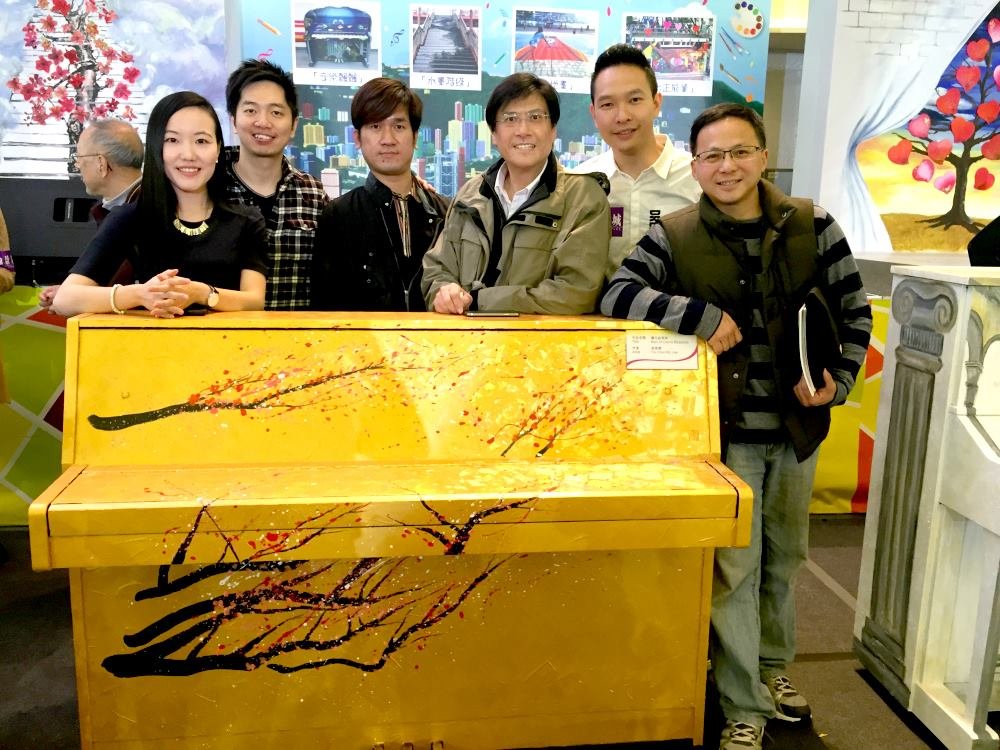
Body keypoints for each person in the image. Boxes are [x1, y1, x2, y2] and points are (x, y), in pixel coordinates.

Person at [600, 103, 872, 750]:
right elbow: (617, 294)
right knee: (734, 571)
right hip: (725, 436)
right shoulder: (676, 234)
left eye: (740, 152)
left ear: (763, 157)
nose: (727, 167)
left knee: (786, 560)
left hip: (798, 431)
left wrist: (839, 382)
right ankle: (742, 702)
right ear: (695, 166)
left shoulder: (813, 226)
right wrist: (695, 315)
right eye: (713, 156)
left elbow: (855, 313)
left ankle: (772, 669)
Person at [51, 91, 269, 318]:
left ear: (218, 149)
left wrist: (202, 293)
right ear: (158, 149)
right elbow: (66, 299)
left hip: (228, 340)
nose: (188, 154)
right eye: (172, 140)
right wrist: (140, 294)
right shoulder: (131, 217)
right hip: (151, 339)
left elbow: (254, 301)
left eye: (201, 141)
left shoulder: (246, 220)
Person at [422, 72, 611, 315]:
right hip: (463, 337)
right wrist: (444, 291)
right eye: (510, 119)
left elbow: (575, 292)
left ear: (553, 130)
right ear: (494, 133)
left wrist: (480, 301)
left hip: (539, 339)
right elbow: (437, 269)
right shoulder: (471, 193)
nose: (523, 130)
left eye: (535, 117)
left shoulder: (584, 198)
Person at [310, 78, 447, 311]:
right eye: (375, 126)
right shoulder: (339, 215)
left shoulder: (445, 213)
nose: (387, 140)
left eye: (398, 126)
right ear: (357, 139)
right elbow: (325, 308)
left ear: (415, 137)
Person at [574, 43, 700, 280]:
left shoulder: (696, 177)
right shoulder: (581, 183)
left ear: (656, 103)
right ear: (594, 114)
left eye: (634, 99)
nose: (622, 116)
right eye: (607, 104)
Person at [223, 59, 327, 310]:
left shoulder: (313, 193)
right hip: (224, 332)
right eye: (251, 110)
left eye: (276, 112)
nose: (263, 122)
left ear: (293, 126)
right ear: (233, 120)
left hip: (298, 333)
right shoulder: (210, 186)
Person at [39, 119, 144, 310]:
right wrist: (80, 292)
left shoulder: (130, 212)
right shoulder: (140, 201)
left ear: (101, 163)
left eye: (79, 157)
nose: (77, 165)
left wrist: (71, 296)